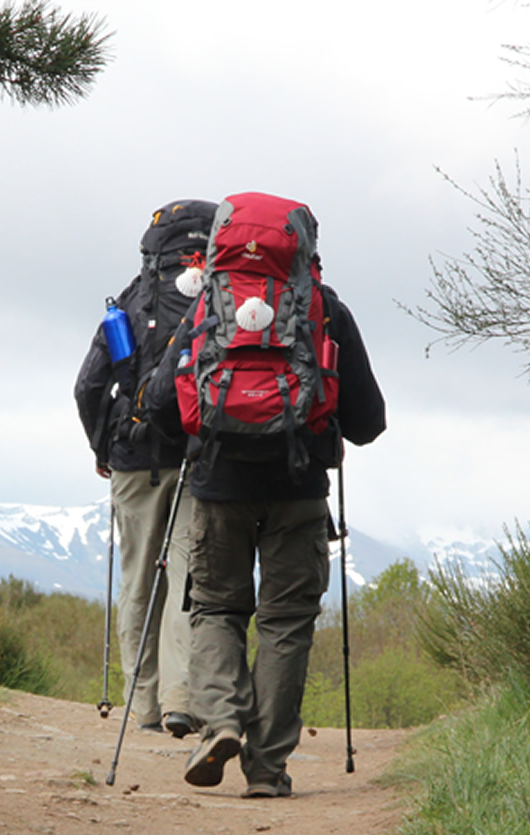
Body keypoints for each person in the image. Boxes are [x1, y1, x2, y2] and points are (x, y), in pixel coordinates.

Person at [143, 210, 385, 798]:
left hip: (218, 487)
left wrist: (202, 439)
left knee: (216, 610)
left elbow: (158, 406)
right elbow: (368, 423)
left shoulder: (207, 307)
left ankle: (221, 723)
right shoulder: (325, 308)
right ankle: (267, 768)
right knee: (286, 624)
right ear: (304, 247)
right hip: (299, 490)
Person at [72, 200, 216, 737]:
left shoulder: (131, 303)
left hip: (133, 459)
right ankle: (184, 697)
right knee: (186, 579)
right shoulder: (219, 296)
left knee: (137, 581)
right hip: (198, 456)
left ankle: (146, 704)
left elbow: (87, 386)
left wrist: (101, 448)